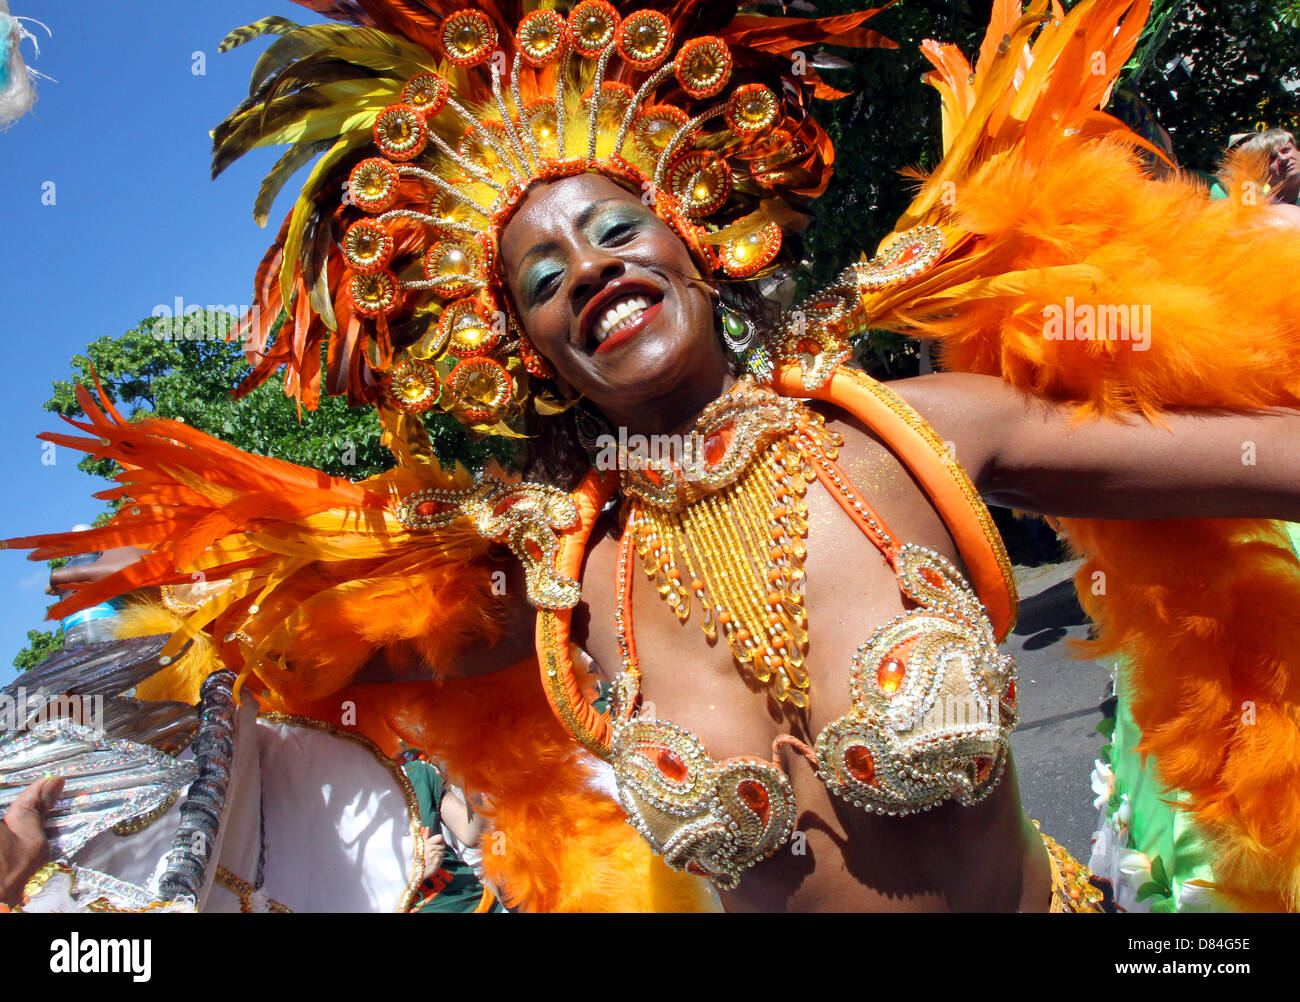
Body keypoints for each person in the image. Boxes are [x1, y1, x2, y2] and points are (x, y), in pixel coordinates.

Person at [8, 0, 1300, 913]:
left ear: (698, 233)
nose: (595, 270)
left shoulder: (911, 431)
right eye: (545, 276)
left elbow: (1264, 458)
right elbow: (225, 678)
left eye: (617, 225)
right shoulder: (554, 578)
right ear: (519, 346)